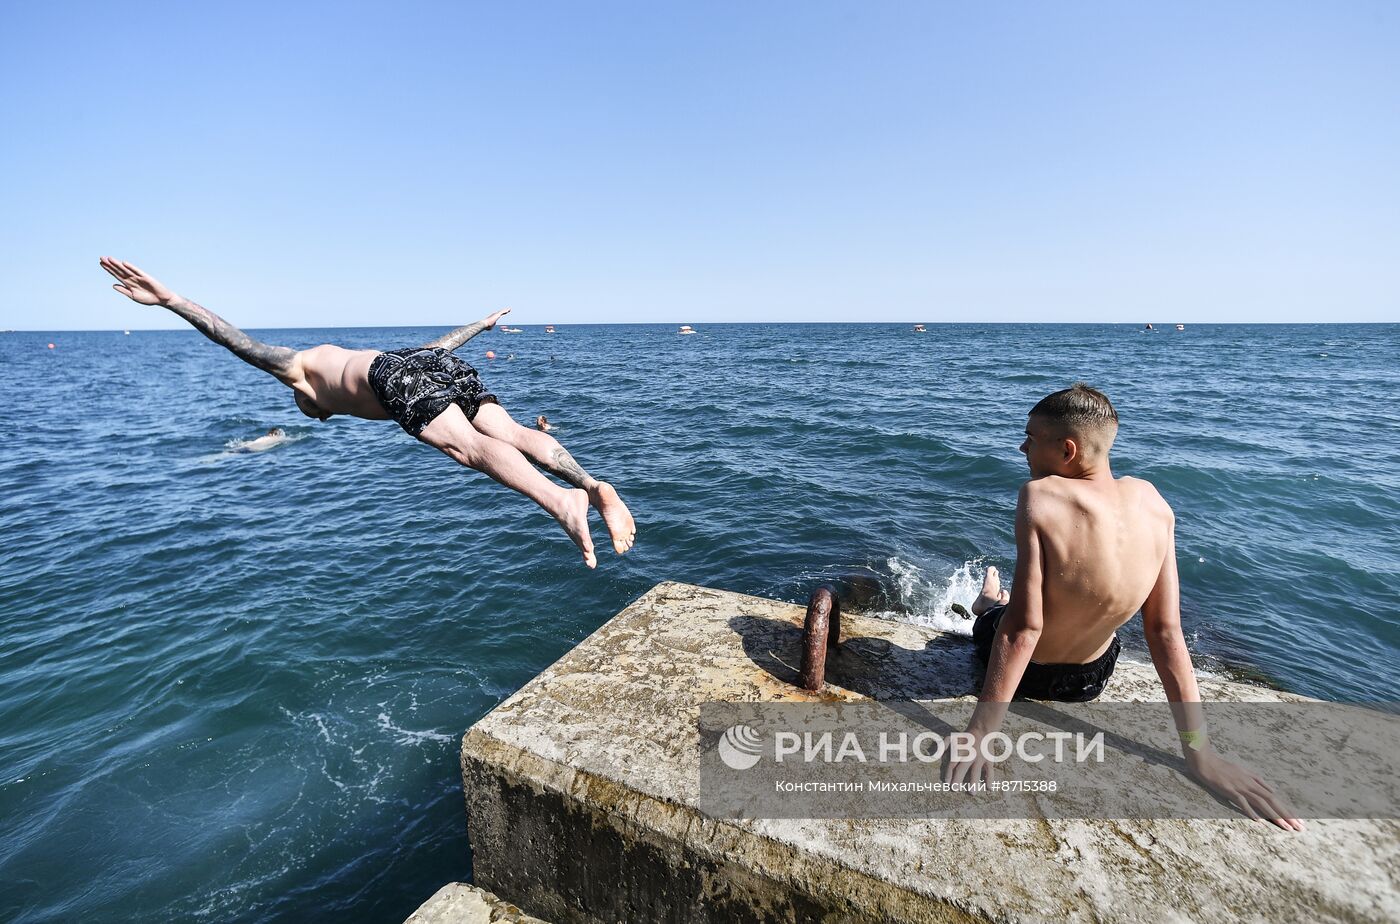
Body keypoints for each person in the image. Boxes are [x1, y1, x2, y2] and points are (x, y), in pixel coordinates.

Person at [100, 257, 635, 568]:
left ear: (307, 401)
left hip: (395, 372)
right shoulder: (337, 364)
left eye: (307, 410)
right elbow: (436, 349)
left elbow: (234, 340)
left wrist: (170, 301)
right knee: (512, 430)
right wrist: (480, 326)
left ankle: (562, 501)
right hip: (422, 361)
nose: (310, 411)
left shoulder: (299, 371)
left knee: (468, 448)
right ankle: (591, 484)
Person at [944, 384, 1302, 830]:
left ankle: (987, 602)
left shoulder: (1040, 496)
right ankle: (997, 599)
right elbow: (1166, 633)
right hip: (1091, 679)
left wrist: (981, 734)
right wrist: (1201, 755)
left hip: (1029, 672)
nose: (1022, 447)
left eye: (1030, 437)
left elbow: (1022, 633)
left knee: (994, 621)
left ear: (1067, 449)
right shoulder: (1155, 503)